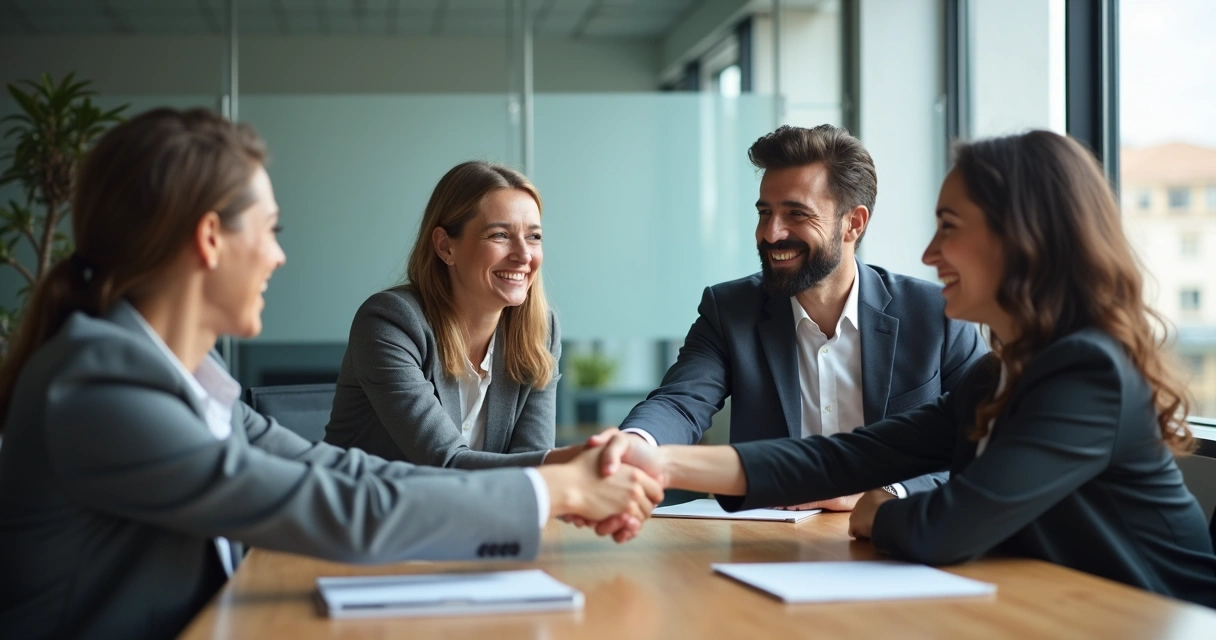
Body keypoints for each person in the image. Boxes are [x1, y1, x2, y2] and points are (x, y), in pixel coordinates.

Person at [0, 108, 661, 640]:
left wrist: (560, 478)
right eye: (271, 228)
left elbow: (338, 470)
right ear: (209, 239)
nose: (279, 256)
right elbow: (339, 508)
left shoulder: (182, 375)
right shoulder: (101, 391)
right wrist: (554, 492)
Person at [591, 130, 1216, 607]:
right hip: (1063, 608)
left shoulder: (1087, 373)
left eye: (949, 227)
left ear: (1020, 239)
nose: (928, 252)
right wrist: (655, 458)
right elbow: (841, 457)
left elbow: (947, 527)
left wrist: (876, 509)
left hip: (1158, 617)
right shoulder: (1000, 375)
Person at [617, 124, 987, 511]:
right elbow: (680, 402)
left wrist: (882, 493)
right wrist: (634, 445)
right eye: (765, 213)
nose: (772, 233)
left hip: (896, 535)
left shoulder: (936, 314)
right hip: (768, 545)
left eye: (796, 214)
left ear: (853, 223)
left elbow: (985, 446)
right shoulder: (730, 309)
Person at [324, 161, 581, 468]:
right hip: (369, 511)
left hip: (479, 514)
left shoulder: (540, 330)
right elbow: (445, 463)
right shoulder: (389, 323)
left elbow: (531, 461)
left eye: (534, 237)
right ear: (445, 246)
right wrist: (575, 460)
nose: (524, 255)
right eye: (500, 235)